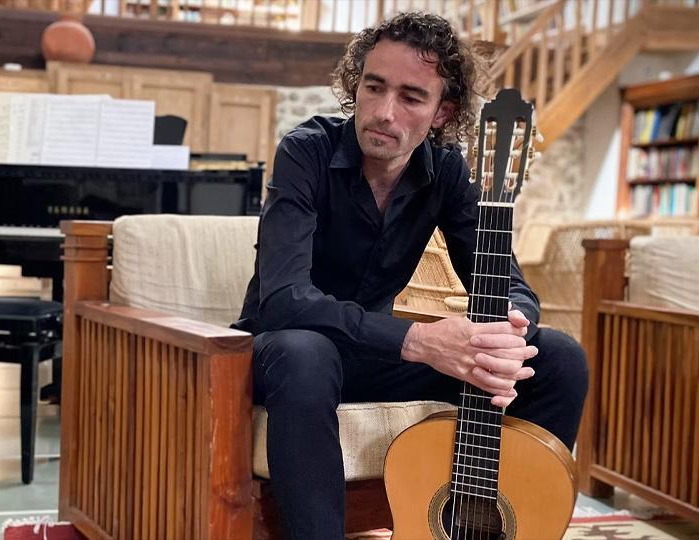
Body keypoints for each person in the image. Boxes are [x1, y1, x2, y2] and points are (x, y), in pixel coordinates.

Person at [233, 11, 588, 539]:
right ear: (357, 83)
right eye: (373, 88)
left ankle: (506, 524)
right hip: (282, 354)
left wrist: (511, 330)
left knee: (558, 357)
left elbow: (511, 284)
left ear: (442, 111)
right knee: (307, 351)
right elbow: (285, 299)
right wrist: (420, 339)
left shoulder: (446, 170)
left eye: (411, 97)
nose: (383, 112)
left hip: (373, 356)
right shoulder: (305, 151)